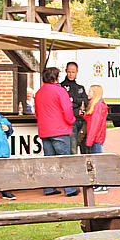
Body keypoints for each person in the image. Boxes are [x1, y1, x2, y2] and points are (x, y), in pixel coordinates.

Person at [35, 66, 80, 197]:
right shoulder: (60, 91)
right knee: (64, 160)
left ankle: (49, 188)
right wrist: (71, 120)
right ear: (56, 77)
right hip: (60, 129)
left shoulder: (39, 92)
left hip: (45, 130)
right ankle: (69, 188)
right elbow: (67, 109)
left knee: (49, 160)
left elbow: (37, 112)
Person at [83, 84, 110, 193]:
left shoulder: (97, 106)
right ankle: (100, 184)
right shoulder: (97, 105)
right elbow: (92, 119)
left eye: (90, 91)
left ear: (95, 93)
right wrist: (85, 115)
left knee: (97, 161)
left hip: (96, 138)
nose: (87, 93)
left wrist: (89, 141)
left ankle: (102, 185)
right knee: (97, 160)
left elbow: (94, 124)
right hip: (96, 137)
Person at [61, 62, 88, 154]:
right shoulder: (62, 87)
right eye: (69, 72)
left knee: (85, 148)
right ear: (66, 71)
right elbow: (65, 102)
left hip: (82, 119)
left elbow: (86, 101)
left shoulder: (80, 87)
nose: (71, 74)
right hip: (71, 121)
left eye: (73, 72)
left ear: (77, 72)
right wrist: (77, 102)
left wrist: (74, 100)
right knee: (73, 147)